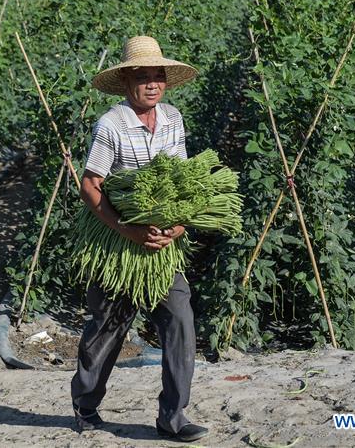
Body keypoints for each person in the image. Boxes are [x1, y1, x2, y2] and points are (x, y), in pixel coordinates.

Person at [70, 36, 208, 443]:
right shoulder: (112, 124)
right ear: (127, 81)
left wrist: (179, 225)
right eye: (142, 77)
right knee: (109, 326)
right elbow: (91, 185)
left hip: (163, 243)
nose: (152, 84)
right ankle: (86, 404)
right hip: (119, 239)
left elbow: (181, 180)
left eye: (157, 77)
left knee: (180, 319)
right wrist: (128, 229)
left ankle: (173, 417)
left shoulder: (172, 119)